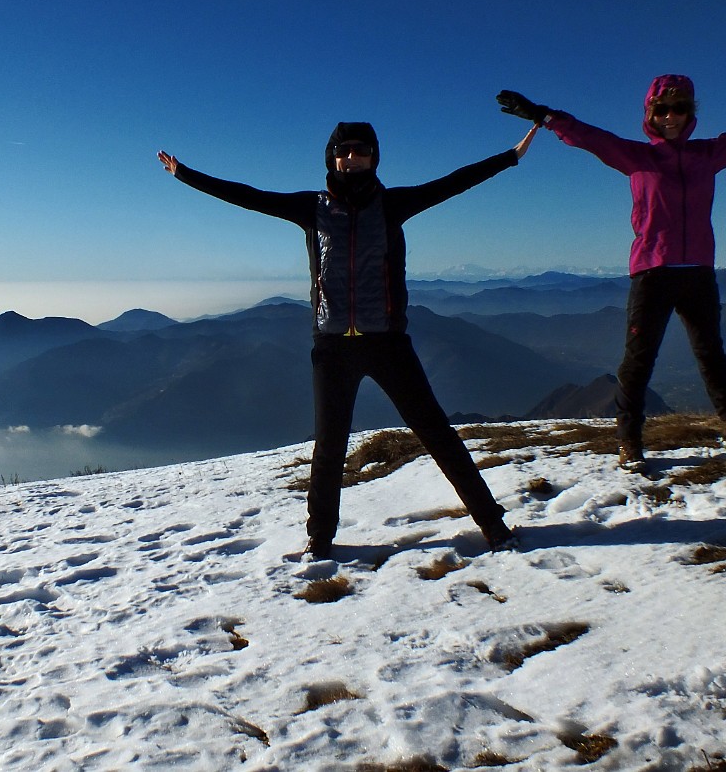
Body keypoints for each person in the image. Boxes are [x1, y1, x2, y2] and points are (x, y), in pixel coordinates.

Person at [157, 121, 538, 557]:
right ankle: (319, 542)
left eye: (363, 151)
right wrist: (186, 175)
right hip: (333, 347)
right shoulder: (311, 207)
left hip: (388, 343)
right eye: (345, 151)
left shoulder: (394, 204)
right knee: (330, 447)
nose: (353, 158)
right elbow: (249, 196)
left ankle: (493, 525)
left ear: (375, 158)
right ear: (331, 157)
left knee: (437, 434)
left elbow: (453, 182)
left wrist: (510, 157)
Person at [495, 78, 726, 469]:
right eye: (662, 110)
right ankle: (629, 441)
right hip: (652, 272)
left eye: (680, 109)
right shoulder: (636, 157)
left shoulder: (708, 154)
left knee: (711, 353)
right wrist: (543, 115)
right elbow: (589, 136)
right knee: (638, 360)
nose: (671, 117)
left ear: (691, 113)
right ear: (650, 116)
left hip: (698, 272)